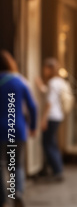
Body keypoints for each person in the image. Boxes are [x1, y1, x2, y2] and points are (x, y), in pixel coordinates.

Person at [0, 50, 37, 207]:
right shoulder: (20, 81)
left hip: (1, 129)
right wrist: (33, 126)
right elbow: (33, 107)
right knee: (16, 165)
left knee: (1, 164)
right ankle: (17, 192)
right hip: (17, 128)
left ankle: (2, 198)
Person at [40, 58, 65, 182]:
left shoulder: (52, 83)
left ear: (49, 69)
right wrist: (41, 87)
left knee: (48, 144)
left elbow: (49, 102)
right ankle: (57, 169)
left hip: (51, 116)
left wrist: (43, 119)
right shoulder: (59, 81)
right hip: (58, 115)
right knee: (52, 143)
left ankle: (57, 170)